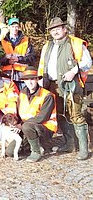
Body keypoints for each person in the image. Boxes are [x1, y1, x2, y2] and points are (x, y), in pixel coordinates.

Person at [38, 17, 92, 160]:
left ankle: (83, 149)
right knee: (60, 115)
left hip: (71, 86)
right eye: (52, 30)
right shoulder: (47, 46)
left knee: (76, 115)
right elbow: (42, 66)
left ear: (64, 29)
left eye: (58, 28)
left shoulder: (75, 43)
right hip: (52, 85)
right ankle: (69, 144)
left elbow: (87, 62)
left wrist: (74, 71)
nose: (55, 31)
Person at [8, 67, 57, 162]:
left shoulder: (47, 96)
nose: (29, 82)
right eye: (27, 79)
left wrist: (21, 125)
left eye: (32, 79)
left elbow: (42, 118)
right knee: (10, 152)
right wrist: (14, 125)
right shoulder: (22, 94)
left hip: (45, 128)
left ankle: (36, 151)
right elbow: (18, 113)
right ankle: (35, 145)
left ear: (37, 79)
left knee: (27, 126)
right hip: (27, 127)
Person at [0, 17, 36, 89]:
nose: (14, 29)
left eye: (16, 26)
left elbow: (32, 57)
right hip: (7, 75)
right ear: (9, 27)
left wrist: (18, 59)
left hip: (22, 75)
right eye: (12, 26)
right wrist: (7, 61)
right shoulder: (2, 42)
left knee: (24, 97)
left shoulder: (26, 41)